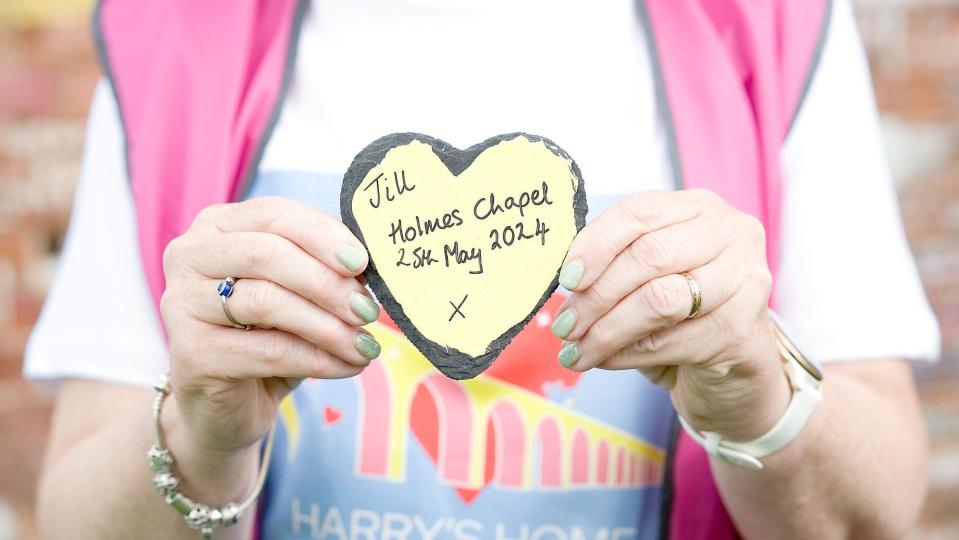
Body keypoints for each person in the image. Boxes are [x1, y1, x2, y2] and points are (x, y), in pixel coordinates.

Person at [27, 0, 941, 539]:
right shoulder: (176, 31)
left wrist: (758, 392)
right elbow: (73, 513)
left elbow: (880, 505)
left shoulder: (770, 22)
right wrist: (200, 432)